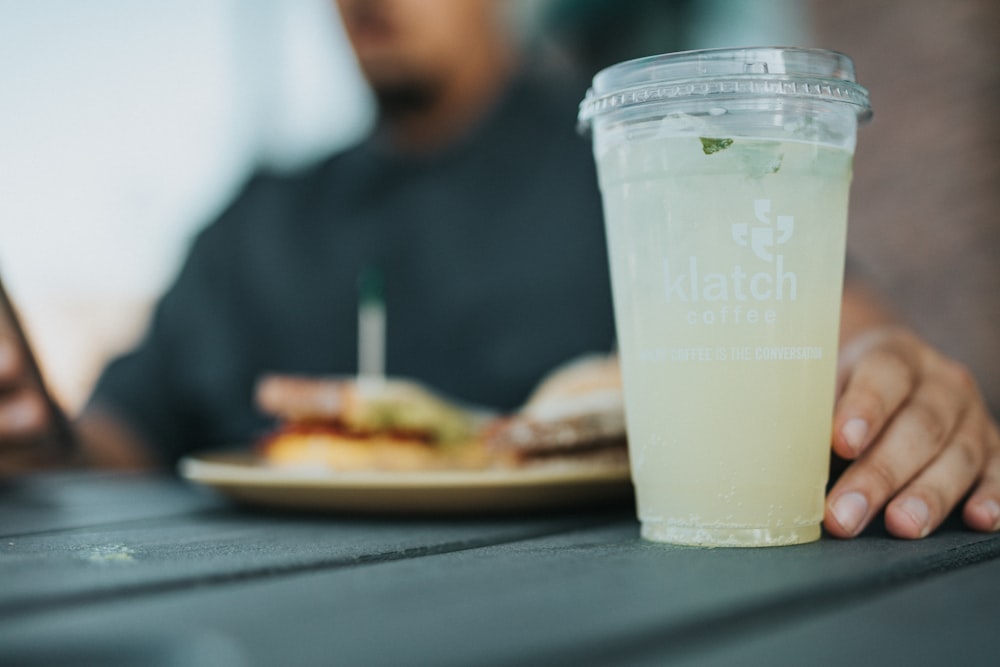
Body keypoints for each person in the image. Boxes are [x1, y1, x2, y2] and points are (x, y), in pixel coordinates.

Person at [0, 0, 997, 542]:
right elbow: (108, 446)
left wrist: (888, 373)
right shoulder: (249, 221)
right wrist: (25, 423)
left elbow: (834, 331)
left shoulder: (639, 164)